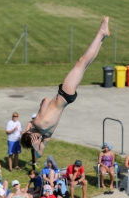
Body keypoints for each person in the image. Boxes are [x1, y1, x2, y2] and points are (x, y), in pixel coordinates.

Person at [20, 16, 110, 159]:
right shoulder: (38, 122)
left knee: (85, 65)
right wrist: (35, 118)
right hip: (63, 93)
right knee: (81, 62)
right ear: (30, 134)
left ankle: (102, 36)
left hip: (68, 99)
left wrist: (37, 146)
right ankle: (101, 32)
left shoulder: (47, 134)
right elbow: (46, 99)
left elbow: (40, 153)